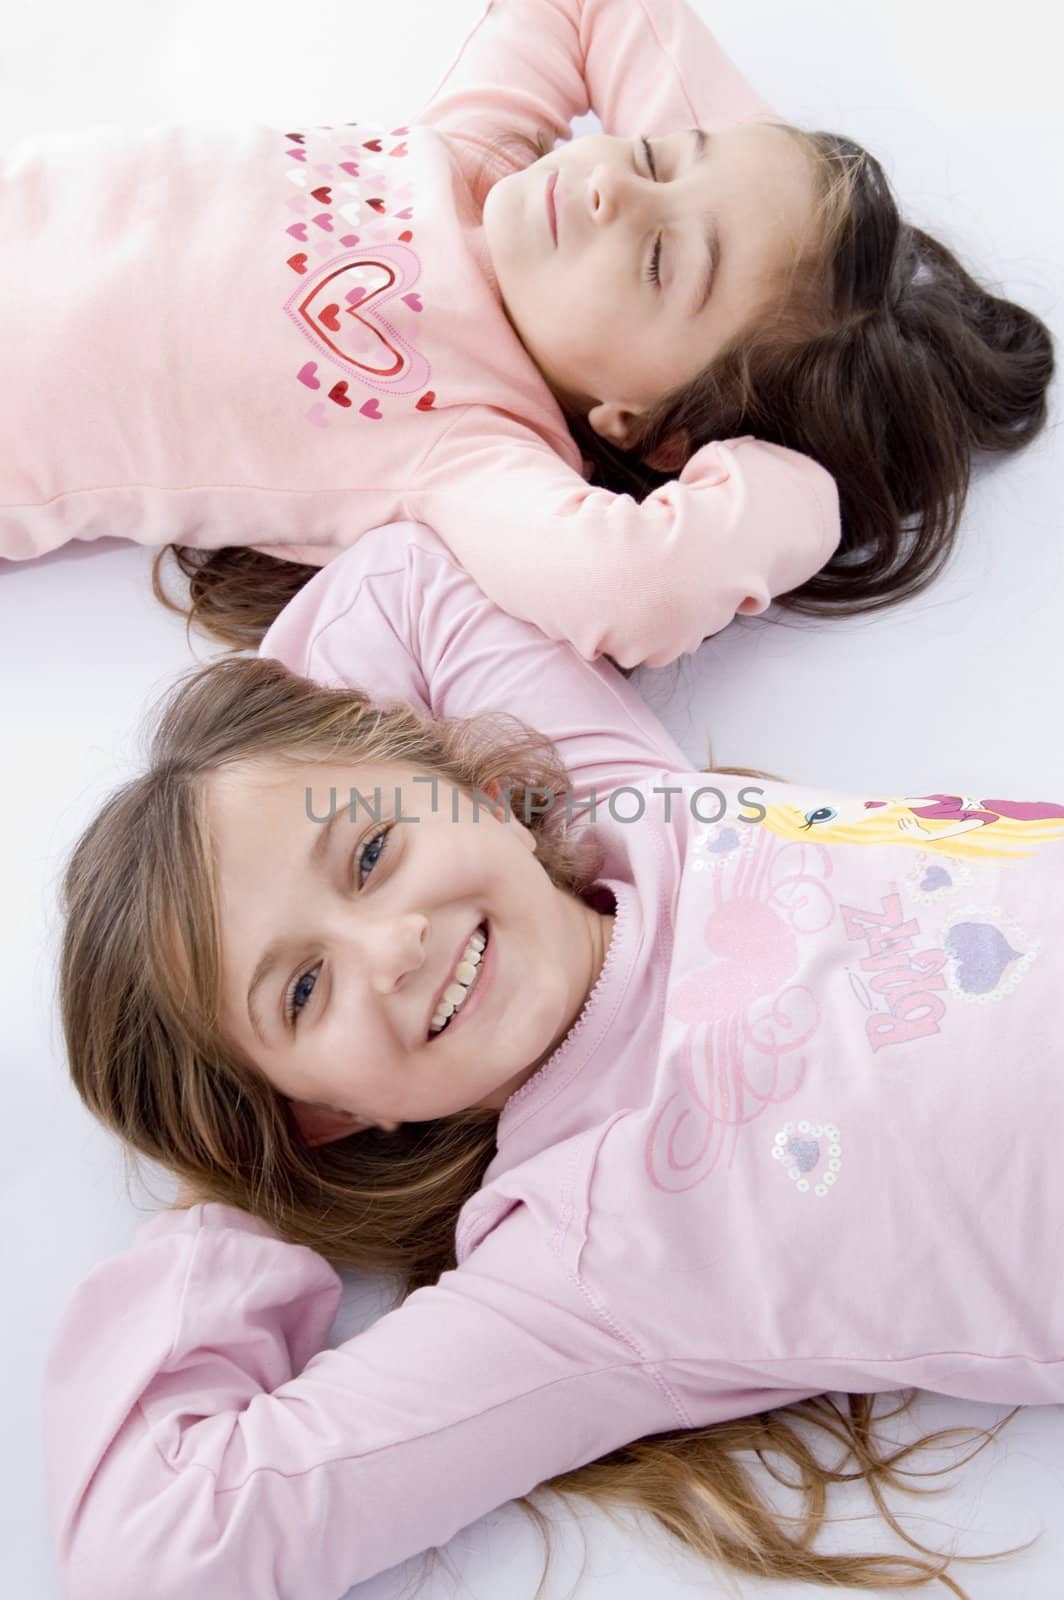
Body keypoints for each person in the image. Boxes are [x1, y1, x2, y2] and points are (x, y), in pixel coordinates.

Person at [46, 517, 1054, 1600]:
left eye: (373, 852)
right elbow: (154, 1544)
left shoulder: (626, 805)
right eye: (301, 989)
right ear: (321, 1114)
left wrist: (249, 762)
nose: (391, 948)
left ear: (470, 787)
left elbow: (396, 583)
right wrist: (237, 1180)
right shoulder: (578, 1261)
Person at [1, 0, 1054, 668]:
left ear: (641, 427)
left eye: (657, 264)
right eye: (647, 158)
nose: (604, 189)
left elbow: (636, 584)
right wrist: (763, 172)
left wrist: (798, 488)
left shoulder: (470, 453)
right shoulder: (473, 153)